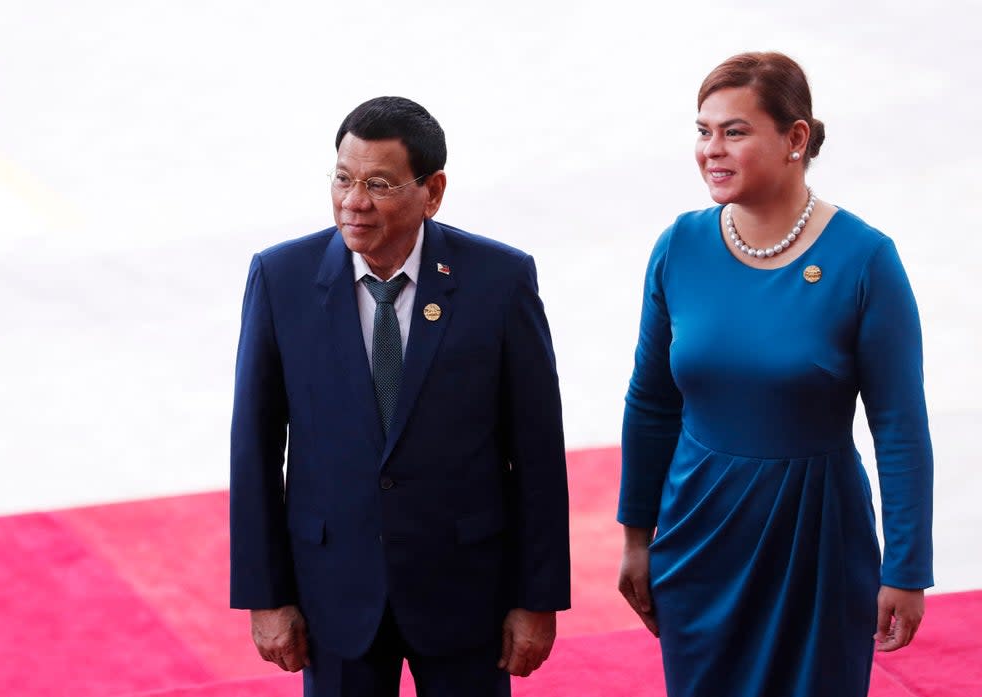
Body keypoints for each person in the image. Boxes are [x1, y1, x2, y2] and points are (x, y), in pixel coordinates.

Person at [229, 96, 570, 697]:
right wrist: (265, 595)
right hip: (332, 596)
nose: (353, 201)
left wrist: (536, 598)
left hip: (467, 595)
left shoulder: (499, 281)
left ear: (432, 192)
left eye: (379, 184)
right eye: (342, 178)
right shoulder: (281, 279)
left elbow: (537, 451)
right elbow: (254, 446)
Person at [617, 52, 934, 697]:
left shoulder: (866, 259)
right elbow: (650, 403)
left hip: (816, 538)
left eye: (734, 131)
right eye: (703, 131)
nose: (712, 149)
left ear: (795, 139)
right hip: (698, 532)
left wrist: (906, 567)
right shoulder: (679, 245)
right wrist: (635, 536)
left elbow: (899, 427)